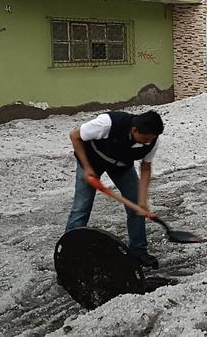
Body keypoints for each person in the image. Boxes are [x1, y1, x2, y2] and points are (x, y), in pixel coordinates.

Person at [65, 110, 164, 268]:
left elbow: (145, 168)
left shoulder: (152, 140)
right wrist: (87, 168)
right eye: (145, 139)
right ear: (134, 130)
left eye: (151, 139)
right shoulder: (107, 123)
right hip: (91, 161)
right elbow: (74, 136)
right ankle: (69, 254)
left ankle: (139, 252)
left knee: (136, 206)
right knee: (81, 207)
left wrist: (143, 198)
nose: (148, 142)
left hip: (121, 166)